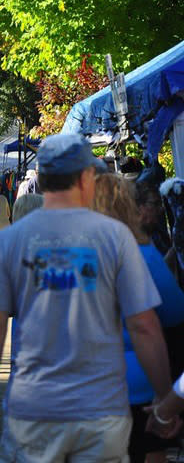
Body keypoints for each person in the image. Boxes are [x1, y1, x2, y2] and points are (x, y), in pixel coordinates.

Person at [0, 133, 173, 462]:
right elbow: (145, 326)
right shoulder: (116, 237)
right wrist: (165, 398)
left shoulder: (12, 240)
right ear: (84, 177)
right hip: (101, 410)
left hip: (33, 408)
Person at [93, 173, 184, 463]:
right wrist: (165, 395)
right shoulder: (141, 252)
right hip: (135, 382)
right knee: (149, 451)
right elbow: (174, 312)